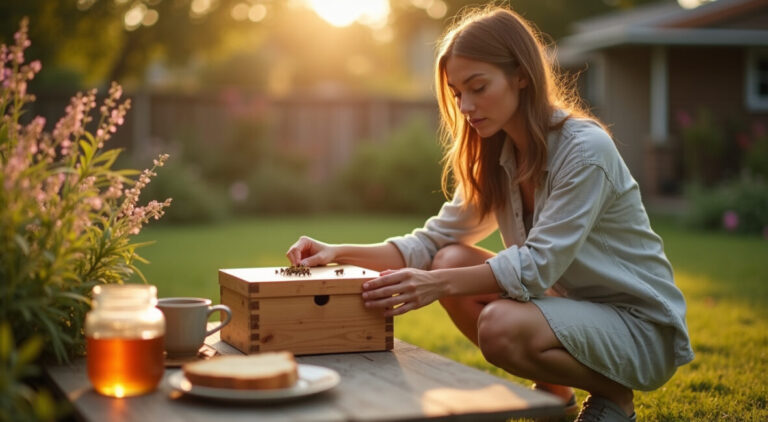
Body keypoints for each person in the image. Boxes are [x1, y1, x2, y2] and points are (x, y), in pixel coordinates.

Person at [286, 5, 693, 421]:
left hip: (637, 327)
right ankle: (555, 398)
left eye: (478, 87)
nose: (464, 105)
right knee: (449, 255)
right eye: (457, 92)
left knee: (497, 323)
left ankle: (614, 397)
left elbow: (536, 267)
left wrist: (435, 284)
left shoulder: (585, 151)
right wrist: (337, 252)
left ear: (521, 75)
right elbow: (429, 243)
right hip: (570, 313)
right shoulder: (497, 155)